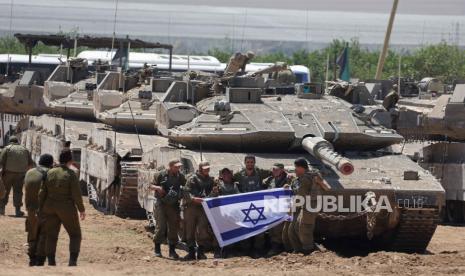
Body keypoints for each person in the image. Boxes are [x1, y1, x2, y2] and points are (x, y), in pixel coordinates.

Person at [38, 150, 85, 266]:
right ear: (71, 161)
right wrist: (81, 209)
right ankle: (72, 261)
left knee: (51, 235)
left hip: (49, 207)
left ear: (59, 159)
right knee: (75, 235)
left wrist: (40, 209)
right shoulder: (71, 174)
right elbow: (77, 195)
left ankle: (51, 261)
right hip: (66, 208)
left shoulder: (49, 172)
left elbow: (42, 192)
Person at [288, 157, 329, 254]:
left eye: (296, 167)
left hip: (310, 206)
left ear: (301, 167)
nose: (295, 169)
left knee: (304, 227)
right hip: (305, 206)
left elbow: (300, 196)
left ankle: (308, 249)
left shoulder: (307, 178)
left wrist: (292, 208)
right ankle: (299, 249)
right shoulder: (308, 176)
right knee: (293, 228)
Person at [233, 155, 270, 258]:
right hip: (244, 206)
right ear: (245, 163)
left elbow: (274, 172)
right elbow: (228, 178)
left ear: (254, 163)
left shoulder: (260, 172)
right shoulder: (239, 174)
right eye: (248, 162)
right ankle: (245, 249)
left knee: (259, 228)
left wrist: (288, 174)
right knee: (245, 227)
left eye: (252, 162)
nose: (250, 164)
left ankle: (258, 249)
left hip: (258, 205)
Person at [150, 158, 186, 259]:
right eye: (176, 167)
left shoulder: (180, 176)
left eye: (179, 167)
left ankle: (172, 251)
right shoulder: (160, 175)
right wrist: (158, 188)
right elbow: (150, 185)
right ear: (170, 167)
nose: (178, 168)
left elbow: (186, 185)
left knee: (173, 228)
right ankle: (157, 249)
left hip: (173, 204)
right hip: (161, 203)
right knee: (161, 226)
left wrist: (181, 192)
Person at [24, 154, 54, 266]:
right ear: (50, 163)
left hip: (30, 210)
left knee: (32, 234)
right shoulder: (50, 174)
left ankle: (32, 258)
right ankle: (40, 261)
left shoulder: (29, 172)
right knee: (44, 235)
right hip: (45, 211)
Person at [182, 161, 215, 260]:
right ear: (200, 169)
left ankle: (201, 251)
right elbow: (186, 191)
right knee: (190, 229)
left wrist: (214, 193)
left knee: (203, 229)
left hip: (203, 207)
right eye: (205, 168)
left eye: (208, 168)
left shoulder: (210, 180)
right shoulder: (192, 178)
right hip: (192, 207)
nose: (207, 170)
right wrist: (193, 199)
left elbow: (211, 194)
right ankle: (191, 251)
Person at [262, 163, 293, 256]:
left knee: (278, 229)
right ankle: (272, 245)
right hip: (271, 207)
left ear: (282, 170)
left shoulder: (287, 179)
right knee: (272, 229)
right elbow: (263, 183)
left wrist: (289, 177)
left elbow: (294, 183)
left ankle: (276, 248)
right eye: (273, 169)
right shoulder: (271, 179)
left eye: (277, 169)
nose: (274, 171)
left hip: (281, 208)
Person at [0, 136, 33, 217]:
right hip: (21, 174)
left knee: (5, 191)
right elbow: (30, 163)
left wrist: (2, 172)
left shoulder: (7, 148)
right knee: (18, 191)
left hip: (8, 173)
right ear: (17, 141)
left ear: (10, 141)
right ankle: (18, 211)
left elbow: (1, 161)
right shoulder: (25, 149)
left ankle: (1, 209)